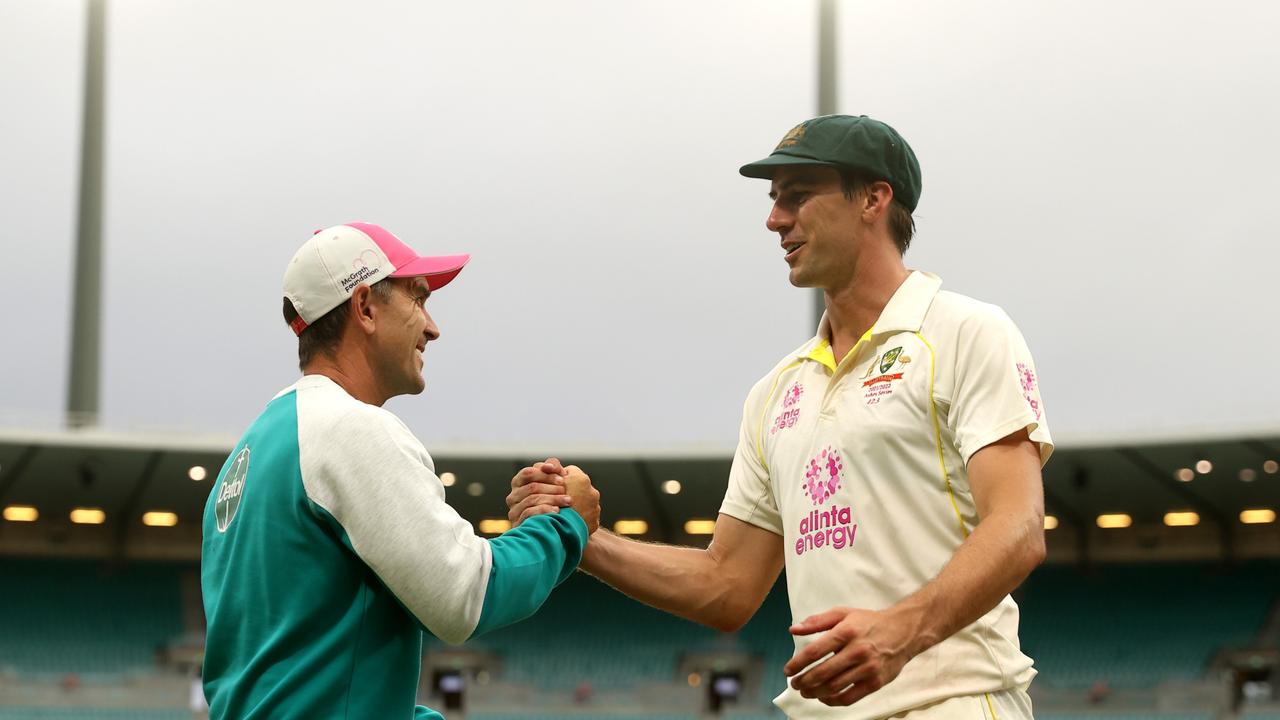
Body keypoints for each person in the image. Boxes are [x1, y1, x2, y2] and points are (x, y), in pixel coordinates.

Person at [509, 115, 1052, 719]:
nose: (774, 219)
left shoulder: (966, 333)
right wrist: (581, 536)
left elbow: (1019, 525)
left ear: (874, 198)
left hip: (948, 703)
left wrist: (900, 632)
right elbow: (726, 586)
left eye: (797, 197)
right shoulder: (775, 391)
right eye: (773, 201)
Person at [201, 222, 601, 719]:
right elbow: (465, 596)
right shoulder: (350, 428)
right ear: (365, 307)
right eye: (418, 299)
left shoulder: (251, 450)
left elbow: (292, 676)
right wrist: (566, 524)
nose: (433, 327)